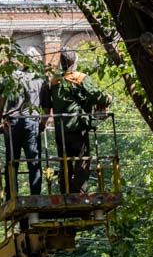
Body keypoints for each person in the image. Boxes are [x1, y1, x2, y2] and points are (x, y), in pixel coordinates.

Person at [42, 49, 111, 194]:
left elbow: (47, 105)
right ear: (74, 62)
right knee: (83, 161)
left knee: (65, 162)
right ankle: (78, 192)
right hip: (78, 128)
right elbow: (96, 96)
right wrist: (108, 98)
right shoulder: (80, 78)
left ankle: (65, 192)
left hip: (60, 130)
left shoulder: (54, 81)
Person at [0, 47, 47, 200]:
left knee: (11, 162)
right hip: (31, 124)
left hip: (12, 124)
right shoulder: (41, 80)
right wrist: (42, 124)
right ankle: (35, 196)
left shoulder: (11, 77)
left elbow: (0, 101)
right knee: (34, 162)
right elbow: (46, 107)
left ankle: (11, 196)